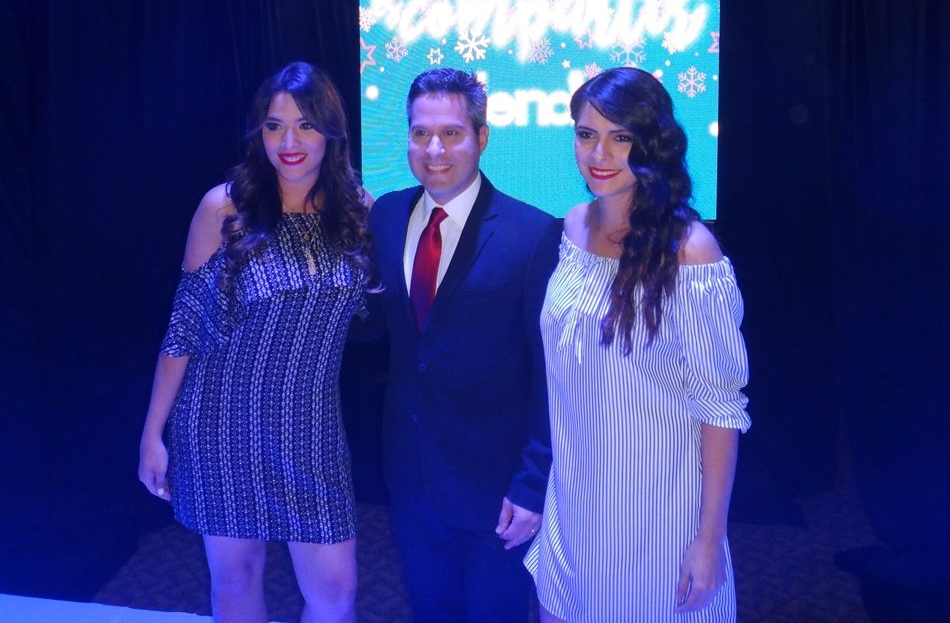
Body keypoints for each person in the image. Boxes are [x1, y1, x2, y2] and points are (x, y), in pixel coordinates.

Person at [137, 62, 371, 623]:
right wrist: (151, 434)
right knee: (236, 578)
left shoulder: (357, 211)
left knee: (335, 592)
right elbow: (183, 328)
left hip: (311, 429)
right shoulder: (224, 208)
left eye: (305, 125)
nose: (289, 142)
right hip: (221, 424)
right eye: (274, 126)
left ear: (331, 131)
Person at [524, 67, 751, 622]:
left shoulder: (691, 253)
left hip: (655, 517)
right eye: (586, 134)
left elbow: (720, 410)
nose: (599, 153)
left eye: (620, 136)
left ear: (652, 144)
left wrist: (708, 539)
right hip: (572, 501)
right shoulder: (571, 227)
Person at [367, 68, 560, 622]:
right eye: (420, 133)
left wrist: (533, 484)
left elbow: (549, 372)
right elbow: (384, 330)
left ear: (482, 137)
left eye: (451, 133)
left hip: (495, 489)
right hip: (410, 476)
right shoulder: (386, 216)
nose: (434, 150)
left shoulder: (532, 233)